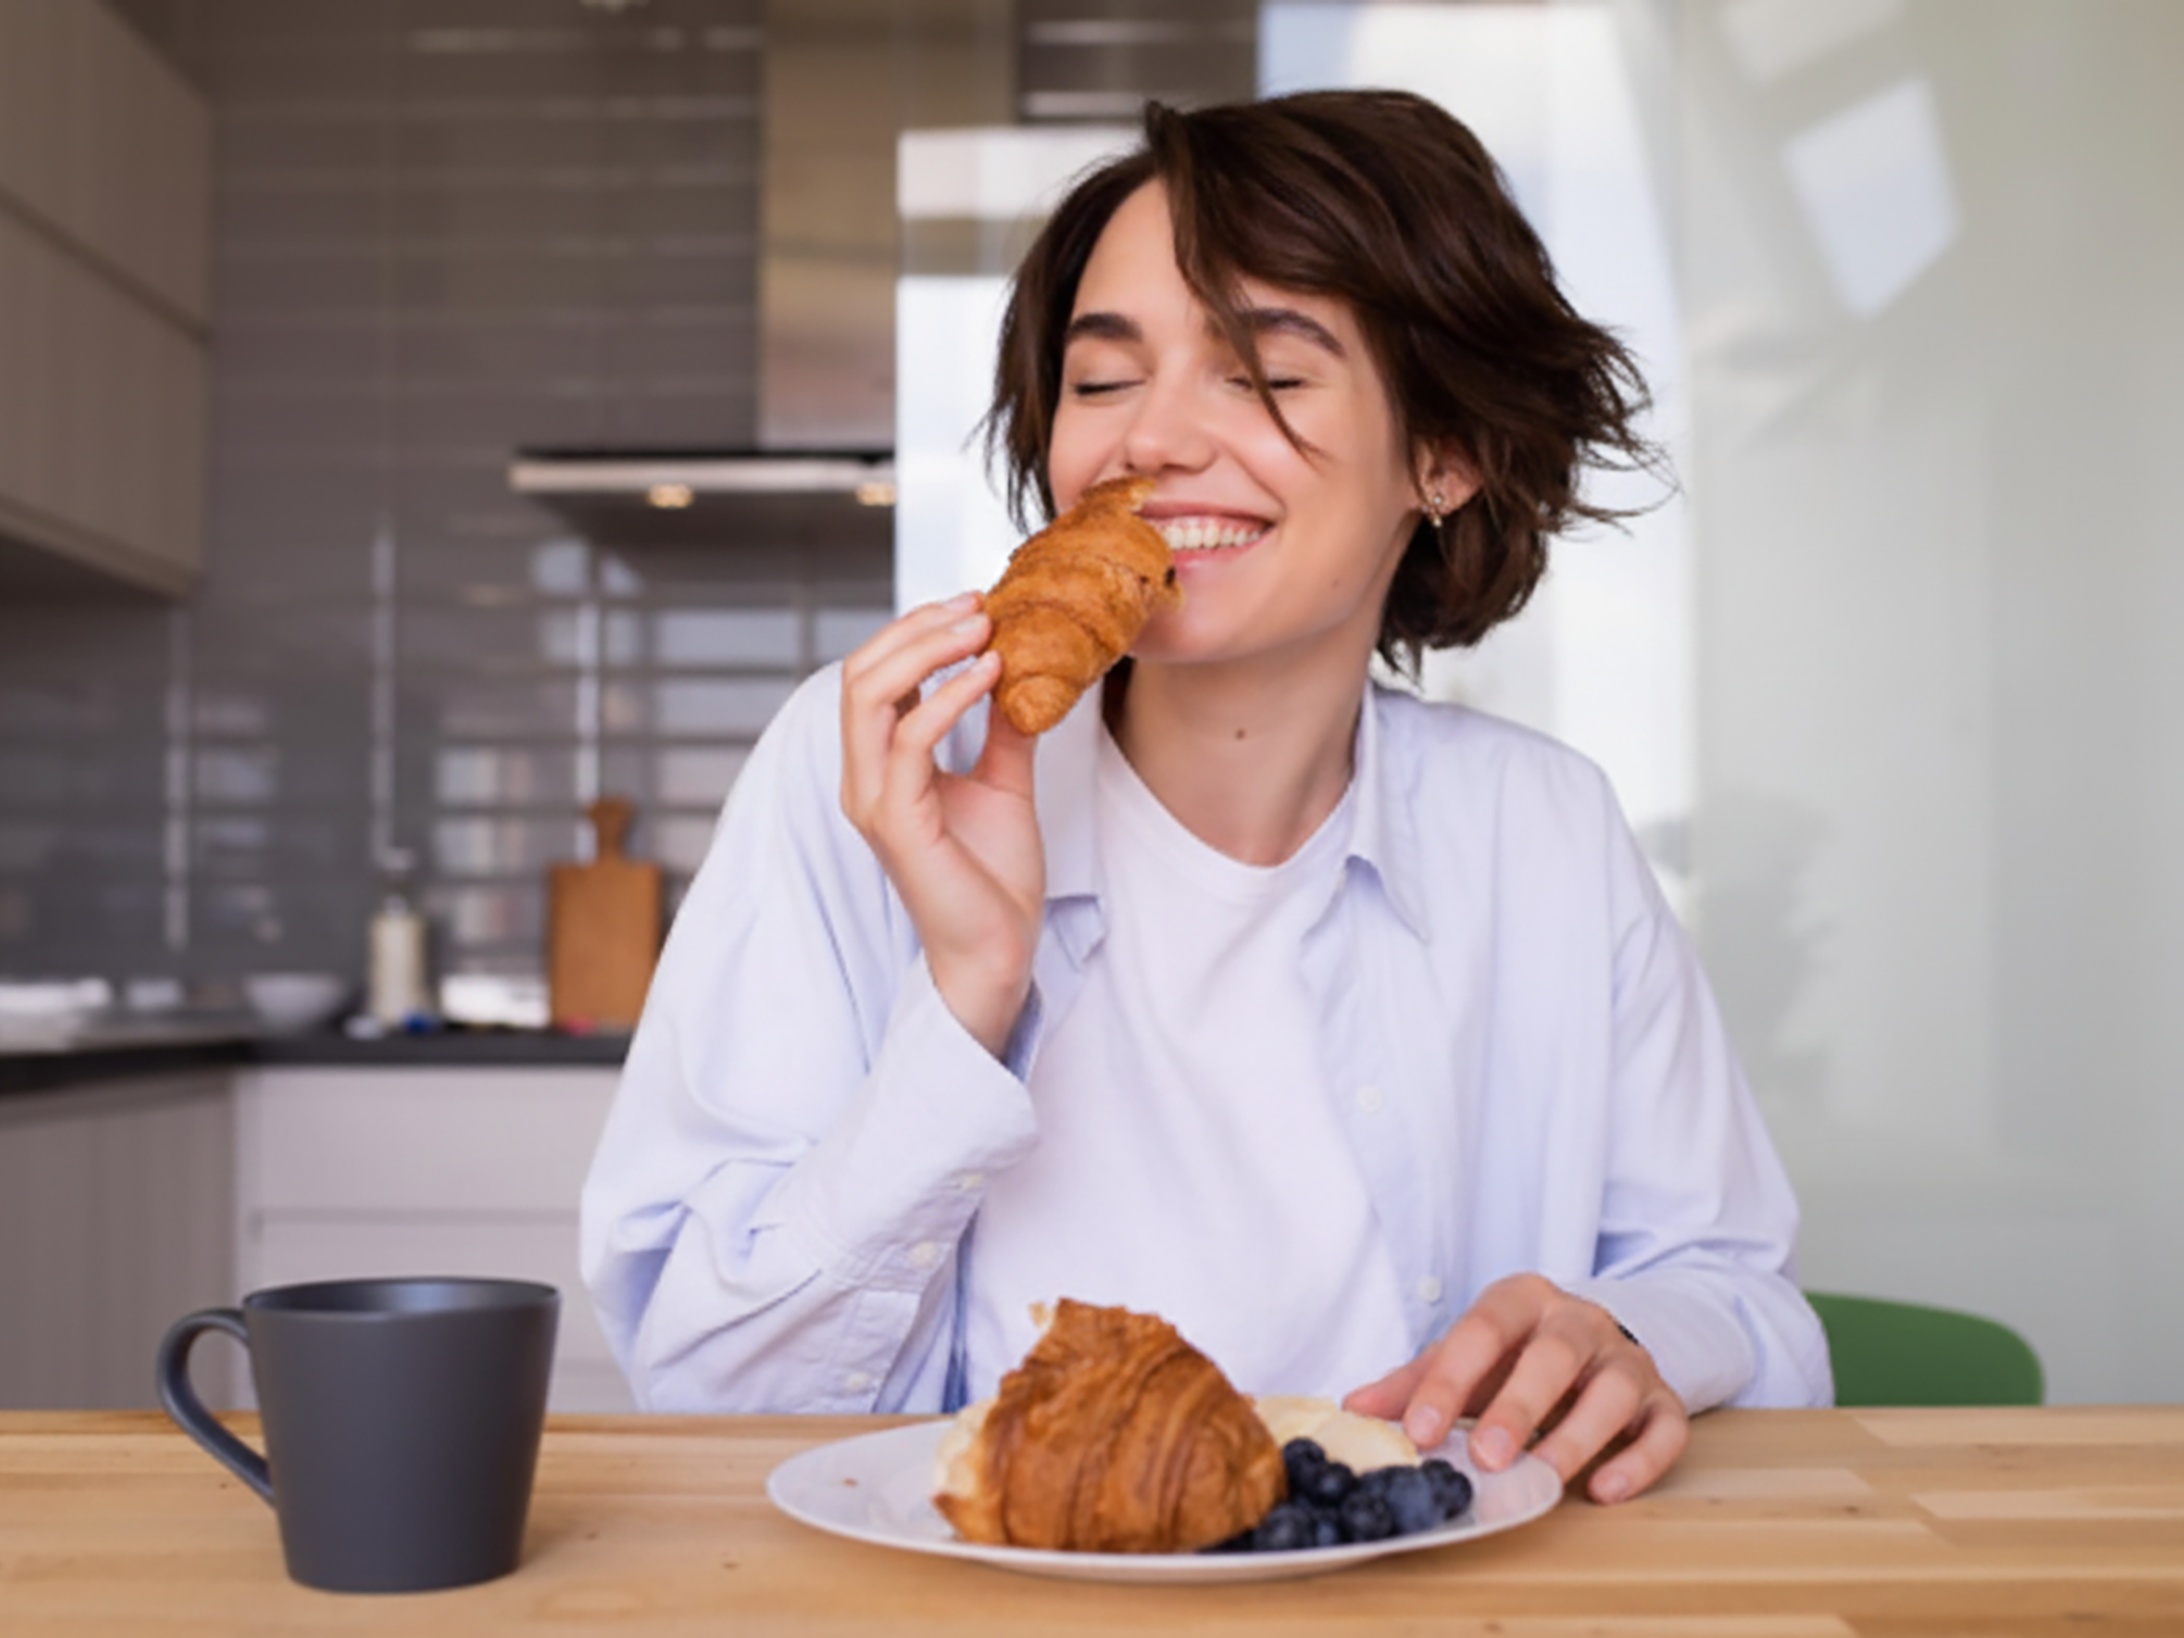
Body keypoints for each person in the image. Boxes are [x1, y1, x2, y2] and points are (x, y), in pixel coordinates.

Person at [581, 89, 1831, 1507]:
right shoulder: (874, 767)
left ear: (1445, 453)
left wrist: (1626, 1334)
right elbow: (705, 1398)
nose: (1152, 440)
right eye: (1104, 380)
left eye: (1265, 374)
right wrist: (967, 1001)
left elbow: (1747, 1298)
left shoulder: (1538, 831)